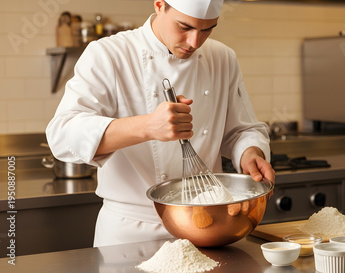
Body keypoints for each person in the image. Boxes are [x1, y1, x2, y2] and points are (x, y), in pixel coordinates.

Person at [46, 0, 275, 247]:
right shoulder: (109, 54)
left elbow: (242, 129)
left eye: (208, 29)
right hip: (131, 233)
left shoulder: (223, 58)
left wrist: (250, 152)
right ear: (159, 5)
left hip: (205, 227)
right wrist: (147, 126)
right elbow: (62, 135)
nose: (194, 42)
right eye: (184, 26)